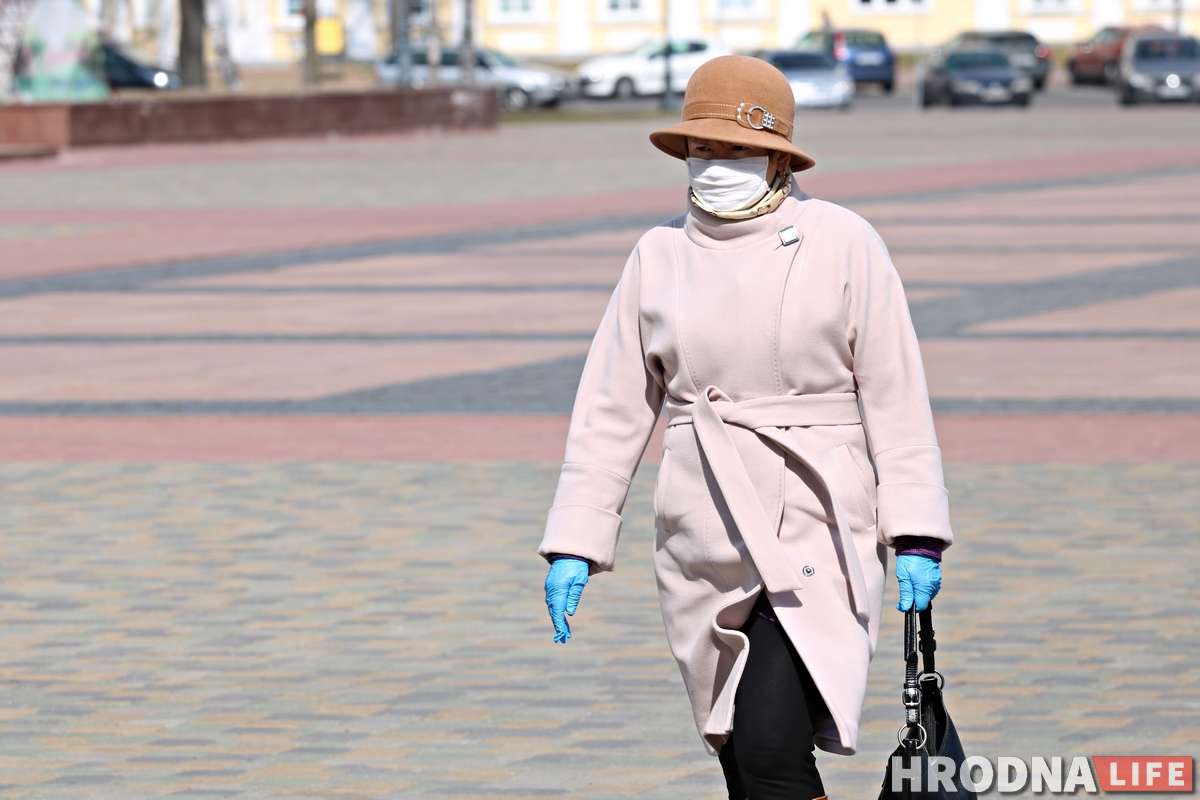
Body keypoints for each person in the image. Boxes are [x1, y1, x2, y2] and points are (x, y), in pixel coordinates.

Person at [539, 55, 951, 800]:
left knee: (768, 745)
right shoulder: (658, 252)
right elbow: (613, 405)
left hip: (817, 521)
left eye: (733, 149)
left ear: (777, 156)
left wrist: (916, 531)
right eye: (702, 148)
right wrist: (577, 538)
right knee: (739, 748)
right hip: (702, 533)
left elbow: (897, 396)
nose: (714, 164)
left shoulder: (843, 241)